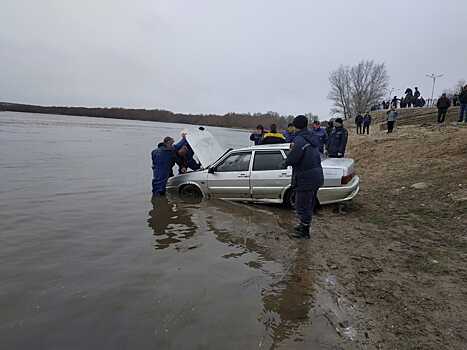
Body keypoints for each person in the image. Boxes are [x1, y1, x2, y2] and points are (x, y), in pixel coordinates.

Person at [285, 115, 324, 239]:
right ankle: (303, 225)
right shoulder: (311, 137)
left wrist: (285, 162)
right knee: (308, 204)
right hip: (316, 176)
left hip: (306, 178)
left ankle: (304, 232)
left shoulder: (300, 140)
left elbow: (293, 158)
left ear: (296, 126)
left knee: (301, 205)